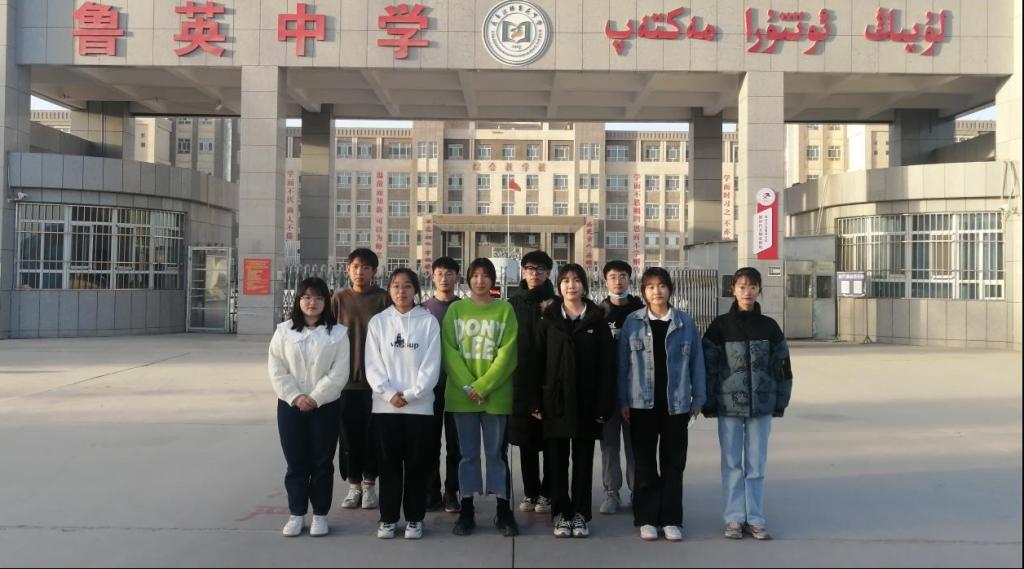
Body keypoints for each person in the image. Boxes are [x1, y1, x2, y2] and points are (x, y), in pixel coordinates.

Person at [702, 267, 793, 541]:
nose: (747, 292)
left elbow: (782, 366)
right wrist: (708, 401)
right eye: (742, 286)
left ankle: (755, 518)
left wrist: (780, 400)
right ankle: (733, 518)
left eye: (753, 286)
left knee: (756, 464)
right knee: (731, 463)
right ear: (733, 289)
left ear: (759, 290)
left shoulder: (769, 327)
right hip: (728, 406)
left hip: (761, 405)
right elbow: (708, 367)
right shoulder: (719, 326)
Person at [618, 267, 706, 542]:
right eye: (650, 286)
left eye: (662, 285)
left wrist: (698, 398)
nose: (657, 291)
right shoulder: (632, 322)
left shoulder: (685, 323)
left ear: (670, 289)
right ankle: (646, 518)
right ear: (644, 291)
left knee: (674, 463)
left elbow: (697, 363)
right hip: (640, 404)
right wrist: (623, 399)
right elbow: (622, 365)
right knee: (644, 463)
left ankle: (670, 519)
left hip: (676, 405)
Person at [537, 264, 616, 538]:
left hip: (587, 403)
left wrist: (604, 405)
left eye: (576, 280)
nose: (571, 285)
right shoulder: (548, 319)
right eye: (565, 281)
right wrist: (536, 401)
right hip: (555, 402)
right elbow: (536, 361)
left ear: (584, 285)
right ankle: (561, 514)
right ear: (559, 286)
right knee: (557, 462)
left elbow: (607, 366)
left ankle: (581, 513)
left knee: (583, 462)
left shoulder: (597, 320)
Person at [442, 258, 520, 537]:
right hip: (462, 397)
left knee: (497, 455)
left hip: (496, 396)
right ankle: (467, 509)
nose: (480, 280)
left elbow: (507, 354)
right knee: (467, 455)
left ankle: (503, 509)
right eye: (475, 275)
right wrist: (468, 386)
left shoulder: (505, 310)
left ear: (493, 280)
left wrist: (483, 386)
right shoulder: (456, 310)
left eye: (485, 275)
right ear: (468, 279)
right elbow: (449, 352)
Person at [268, 277, 351, 538]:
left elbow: (339, 372)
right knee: (296, 462)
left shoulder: (338, 333)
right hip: (290, 406)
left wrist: (315, 397)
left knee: (322, 461)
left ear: (326, 301)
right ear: (298, 301)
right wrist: (295, 396)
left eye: (317, 297)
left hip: (325, 406)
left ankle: (320, 514)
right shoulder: (284, 331)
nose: (311, 302)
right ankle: (296, 513)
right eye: (306, 297)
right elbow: (276, 368)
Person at [366, 269, 441, 540]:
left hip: (419, 408)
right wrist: (388, 394)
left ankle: (414, 518)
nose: (401, 291)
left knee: (417, 465)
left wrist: (410, 394)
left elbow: (431, 365)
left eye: (407, 286)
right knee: (388, 465)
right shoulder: (378, 322)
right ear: (389, 290)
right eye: (396, 286)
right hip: (385, 407)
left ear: (416, 290)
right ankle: (388, 518)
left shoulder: (428, 322)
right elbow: (372, 364)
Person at [331, 249, 389, 510]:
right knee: (348, 438)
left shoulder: (383, 298)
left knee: (373, 435)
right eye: (355, 266)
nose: (360, 272)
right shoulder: (339, 298)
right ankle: (353, 486)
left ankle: (369, 485)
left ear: (374, 271)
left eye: (366, 267)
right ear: (347, 269)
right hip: (345, 382)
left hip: (375, 383)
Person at [507, 250, 557, 515]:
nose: (534, 273)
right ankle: (530, 491)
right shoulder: (512, 304)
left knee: (550, 441)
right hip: (522, 381)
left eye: (539, 269)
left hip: (550, 382)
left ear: (548, 272)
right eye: (529, 268)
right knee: (526, 442)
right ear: (523, 272)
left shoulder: (557, 303)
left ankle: (548, 493)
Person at [597, 260, 644, 515]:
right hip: (607, 391)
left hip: (636, 390)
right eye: (613, 276)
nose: (618, 281)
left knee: (635, 445)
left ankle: (638, 492)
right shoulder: (598, 313)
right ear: (605, 280)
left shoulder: (641, 312)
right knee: (609, 445)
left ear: (630, 279)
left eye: (623, 276)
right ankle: (611, 492)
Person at [421, 257, 463, 514]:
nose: (444, 278)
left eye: (449, 273)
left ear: (457, 277)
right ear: (432, 276)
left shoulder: (464, 308)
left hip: (458, 386)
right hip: (430, 387)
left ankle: (452, 492)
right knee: (430, 443)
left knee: (456, 445)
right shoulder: (422, 310)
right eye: (440, 273)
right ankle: (431, 491)